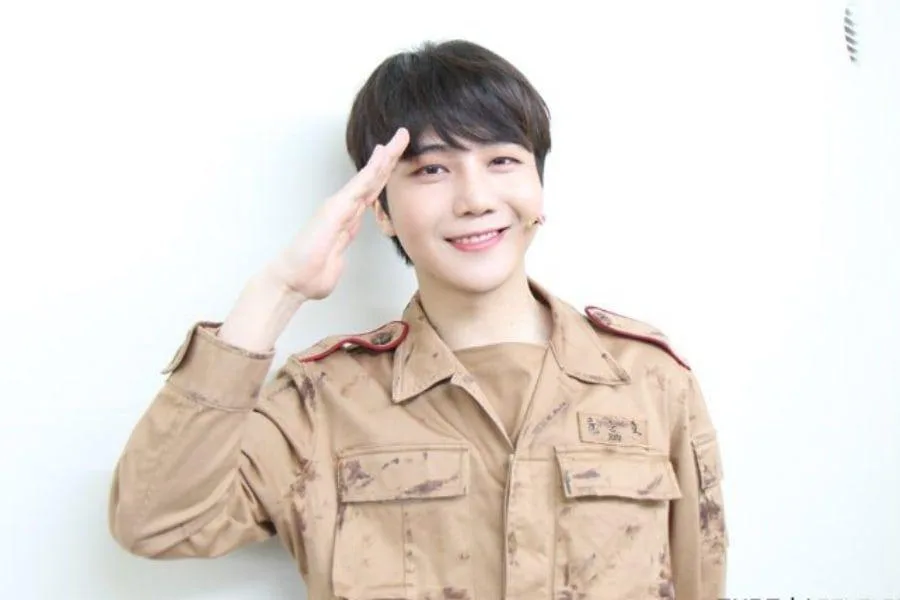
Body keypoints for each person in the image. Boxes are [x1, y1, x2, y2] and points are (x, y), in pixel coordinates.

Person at [108, 39, 728, 599]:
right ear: (379, 209)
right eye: (431, 169)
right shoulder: (323, 400)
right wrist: (280, 290)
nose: (475, 198)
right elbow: (156, 521)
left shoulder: (650, 381)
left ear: (539, 186)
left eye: (502, 161)